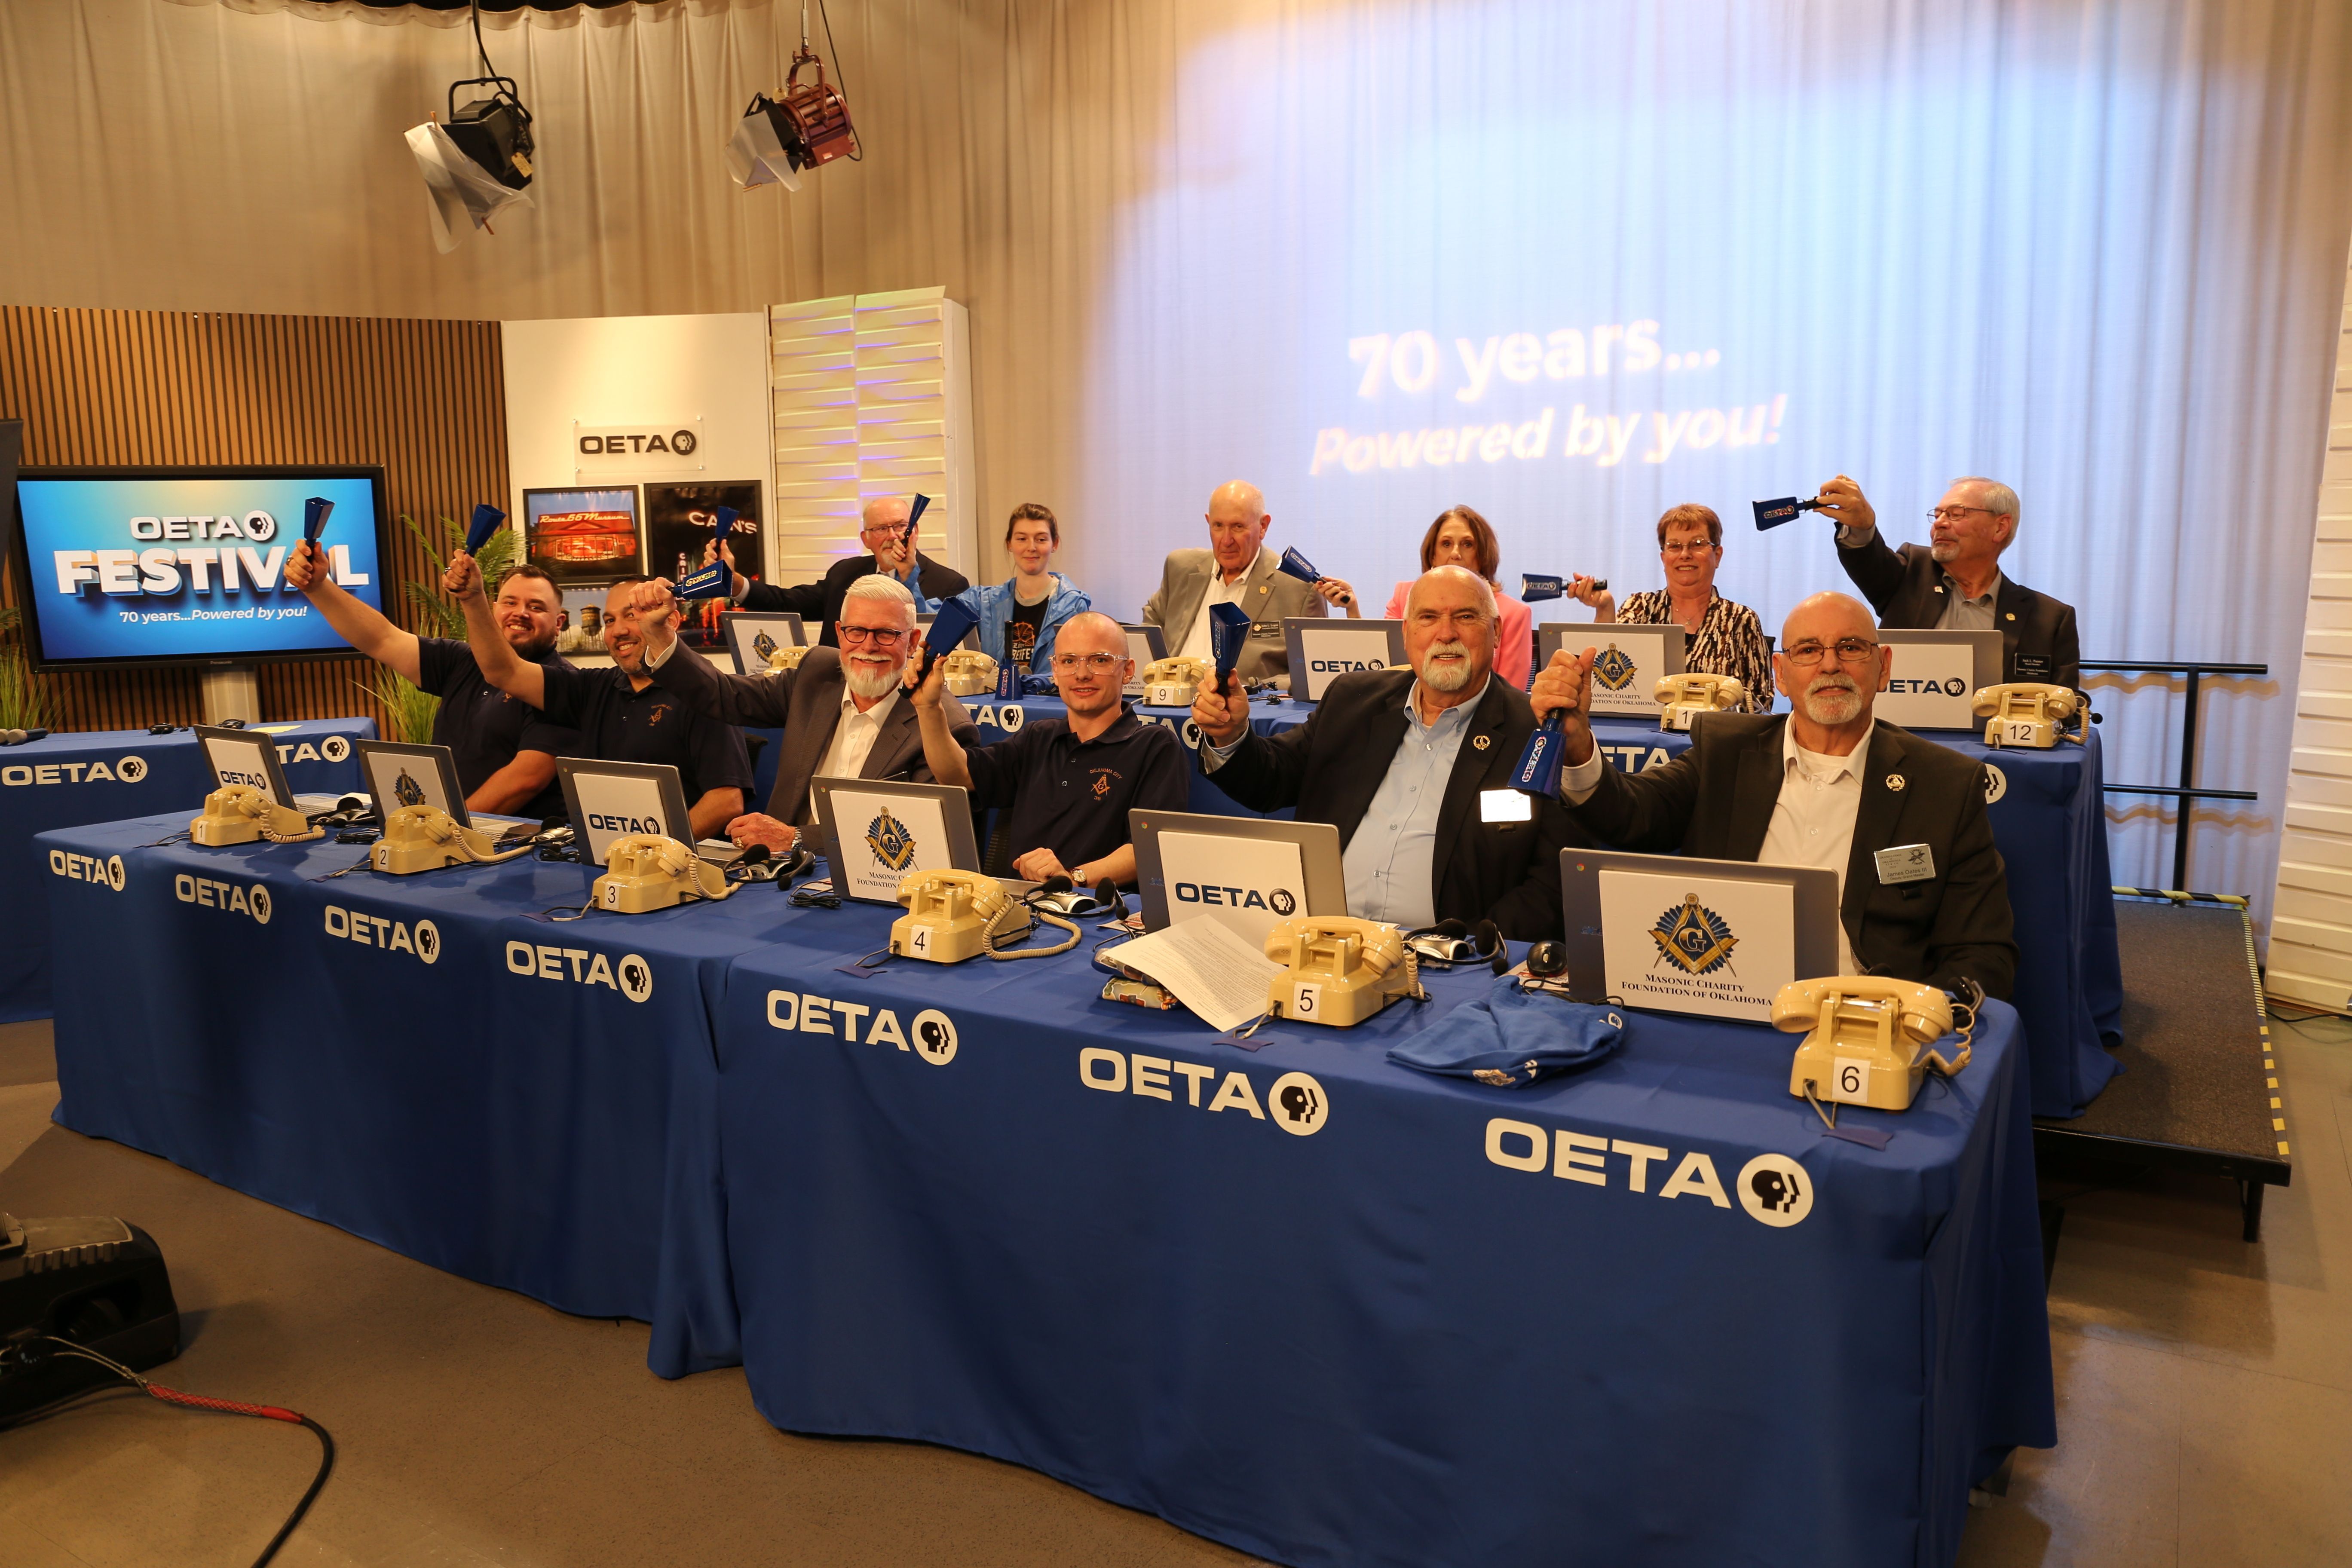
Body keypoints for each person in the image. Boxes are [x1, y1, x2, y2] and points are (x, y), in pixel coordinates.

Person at [1529, 591, 2016, 997]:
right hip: (1721, 999)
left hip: (1863, 1019)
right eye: (1808, 650)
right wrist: (1575, 747)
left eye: (1850, 647)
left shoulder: (1946, 784)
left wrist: (1909, 1019)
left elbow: (1983, 956)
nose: (1830, 665)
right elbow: (1631, 815)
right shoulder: (1725, 754)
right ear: (1780, 674)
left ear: (1883, 666)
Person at [1189, 565, 1578, 939]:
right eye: (1428, 618)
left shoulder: (1535, 733)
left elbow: (1552, 884)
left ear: (1496, 632)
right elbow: (1271, 780)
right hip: (1316, 940)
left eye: (1464, 617)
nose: (1446, 634)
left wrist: (1468, 948)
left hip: (1441, 963)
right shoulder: (1352, 702)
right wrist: (1231, 734)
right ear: (1406, 633)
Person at [624, 573, 978, 857]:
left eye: (886, 634)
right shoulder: (817, 674)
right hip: (776, 875)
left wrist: (796, 838)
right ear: (840, 633)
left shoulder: (942, 723)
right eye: (856, 631)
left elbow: (920, 834)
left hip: (877, 888)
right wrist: (659, 634)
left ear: (913, 639)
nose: (868, 647)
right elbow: (725, 697)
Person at [447, 561, 752, 841]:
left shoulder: (705, 693)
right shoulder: (592, 688)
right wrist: (472, 600)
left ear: (670, 619)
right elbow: (504, 672)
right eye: (609, 620)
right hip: (602, 858)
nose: (618, 630)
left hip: (680, 868)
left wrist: (655, 853)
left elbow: (725, 801)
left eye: (632, 615)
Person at [285, 537, 579, 819]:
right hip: (452, 833)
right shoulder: (462, 660)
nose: (521, 613)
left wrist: (447, 828)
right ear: (495, 610)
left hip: (520, 849)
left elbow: (524, 781)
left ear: (559, 623)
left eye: (536, 607)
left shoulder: (564, 686)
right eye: (510, 603)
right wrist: (319, 587)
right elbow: (382, 640)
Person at [907, 611, 1188, 885]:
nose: (1082, 674)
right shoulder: (1037, 737)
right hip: (1018, 907)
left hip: (1097, 914)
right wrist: (929, 708)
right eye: (1069, 661)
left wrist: (1071, 877)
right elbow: (957, 775)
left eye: (1099, 660)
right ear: (1054, 671)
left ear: (1127, 671)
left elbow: (1149, 848)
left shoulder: (1154, 746)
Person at [1818, 474, 2080, 689]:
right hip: (1904, 743)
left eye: (1956, 514)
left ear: (2001, 528)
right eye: (1938, 515)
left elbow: (2067, 704)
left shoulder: (2050, 619)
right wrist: (1863, 525)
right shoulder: (1910, 572)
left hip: (1994, 752)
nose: (1940, 524)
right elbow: (1868, 559)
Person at [1562, 503, 1773, 712]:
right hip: (1642, 738)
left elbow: (1760, 703)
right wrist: (1604, 609)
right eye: (1674, 546)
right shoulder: (1640, 607)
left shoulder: (1740, 619)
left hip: (1718, 739)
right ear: (1664, 557)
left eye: (1697, 544)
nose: (1685, 554)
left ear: (1717, 555)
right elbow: (1606, 683)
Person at [707, 495, 969, 649]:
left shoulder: (948, 584)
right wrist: (732, 581)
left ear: (916, 531)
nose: (892, 536)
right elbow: (788, 602)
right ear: (866, 539)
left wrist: (908, 577)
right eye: (880, 529)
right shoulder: (846, 573)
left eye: (901, 526)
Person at [1141, 481, 1335, 686]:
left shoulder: (1299, 588)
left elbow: (1314, 674)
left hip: (1244, 709)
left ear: (1263, 526)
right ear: (1209, 523)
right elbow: (1148, 633)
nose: (1226, 540)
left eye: (1238, 527)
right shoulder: (1180, 567)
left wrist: (1252, 691)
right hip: (1167, 703)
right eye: (1218, 526)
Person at [1328, 505, 1533, 689]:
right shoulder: (1404, 597)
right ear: (1432, 555)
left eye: (1467, 544)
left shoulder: (1514, 614)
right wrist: (1352, 609)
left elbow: (1511, 693)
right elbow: (1381, 666)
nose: (1456, 554)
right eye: (1446, 544)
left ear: (1484, 555)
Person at [926, 503, 1091, 680]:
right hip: (993, 706)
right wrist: (910, 572)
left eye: (1041, 539)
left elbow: (1072, 671)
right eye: (1022, 539)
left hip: (1048, 705)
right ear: (1009, 544)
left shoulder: (1073, 607)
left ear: (1055, 544)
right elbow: (926, 620)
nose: (1031, 547)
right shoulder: (983, 602)